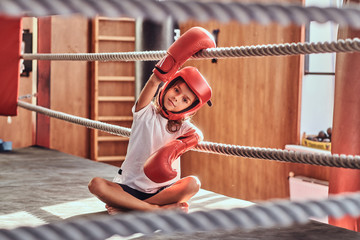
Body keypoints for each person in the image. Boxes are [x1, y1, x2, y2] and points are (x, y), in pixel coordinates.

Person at [88, 27, 216, 214]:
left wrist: (177, 147)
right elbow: (154, 81)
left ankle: (130, 207)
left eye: (185, 100)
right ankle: (153, 209)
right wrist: (170, 61)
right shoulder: (145, 112)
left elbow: (198, 135)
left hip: (162, 190)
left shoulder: (182, 128)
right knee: (96, 185)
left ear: (189, 107)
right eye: (176, 90)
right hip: (128, 188)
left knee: (193, 184)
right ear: (169, 86)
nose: (176, 98)